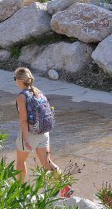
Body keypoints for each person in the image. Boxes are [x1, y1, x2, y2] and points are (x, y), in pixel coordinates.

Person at [14, 67, 73, 198]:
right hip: (44, 132)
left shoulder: (22, 96)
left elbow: (23, 120)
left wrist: (25, 138)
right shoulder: (39, 92)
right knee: (47, 163)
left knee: (20, 161)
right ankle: (65, 186)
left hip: (31, 133)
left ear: (19, 80)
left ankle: (19, 191)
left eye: (15, 79)